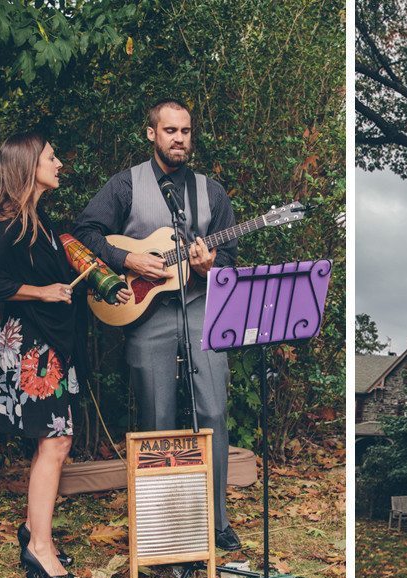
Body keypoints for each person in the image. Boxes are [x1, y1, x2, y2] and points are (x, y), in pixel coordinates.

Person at [73, 99, 240, 550]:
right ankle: (161, 523)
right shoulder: (126, 184)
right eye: (170, 131)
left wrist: (210, 265)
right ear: (152, 134)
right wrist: (127, 258)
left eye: (186, 131)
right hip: (146, 312)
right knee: (156, 416)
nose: (179, 138)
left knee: (214, 411)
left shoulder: (213, 192)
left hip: (202, 306)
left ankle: (217, 520)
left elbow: (229, 258)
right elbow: (83, 231)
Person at [0, 132, 130, 578]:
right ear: (28, 166)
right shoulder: (10, 223)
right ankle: (39, 548)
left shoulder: (38, 221)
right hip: (32, 351)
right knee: (56, 442)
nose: (59, 163)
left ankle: (33, 531)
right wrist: (41, 291)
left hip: (53, 349)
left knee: (54, 441)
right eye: (51, 157)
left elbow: (73, 275)